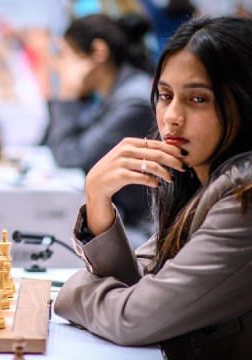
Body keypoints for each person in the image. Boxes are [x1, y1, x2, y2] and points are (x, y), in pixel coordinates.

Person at [54, 16, 252, 359]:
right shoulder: (193, 174)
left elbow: (133, 318)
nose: (171, 116)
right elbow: (138, 288)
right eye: (165, 95)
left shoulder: (242, 195)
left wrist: (71, 291)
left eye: (198, 99)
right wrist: (97, 199)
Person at [42, 13, 156, 232]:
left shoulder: (133, 101)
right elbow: (55, 142)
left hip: (140, 230)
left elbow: (68, 155)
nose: (59, 67)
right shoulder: (115, 93)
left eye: (67, 56)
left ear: (98, 52)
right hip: (119, 219)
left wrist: (67, 92)